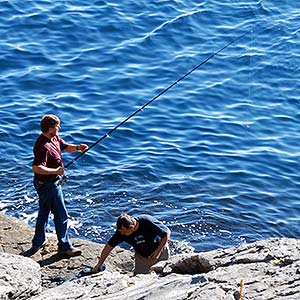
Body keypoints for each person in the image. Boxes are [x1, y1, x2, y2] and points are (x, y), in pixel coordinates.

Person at [29, 114, 88, 257]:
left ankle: (38, 242)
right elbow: (36, 167)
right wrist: (56, 171)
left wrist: (78, 147)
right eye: (57, 127)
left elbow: (65, 147)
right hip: (48, 185)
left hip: (49, 183)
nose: (59, 128)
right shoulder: (42, 146)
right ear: (50, 129)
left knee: (43, 212)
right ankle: (64, 246)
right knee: (61, 215)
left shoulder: (54, 138)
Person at [92, 213, 171, 274]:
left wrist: (157, 251)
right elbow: (109, 246)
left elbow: (166, 233)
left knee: (164, 275)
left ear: (132, 228)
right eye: (120, 231)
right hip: (142, 258)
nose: (121, 234)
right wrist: (100, 263)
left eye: (124, 232)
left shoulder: (147, 221)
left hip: (160, 251)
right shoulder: (121, 232)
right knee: (140, 280)